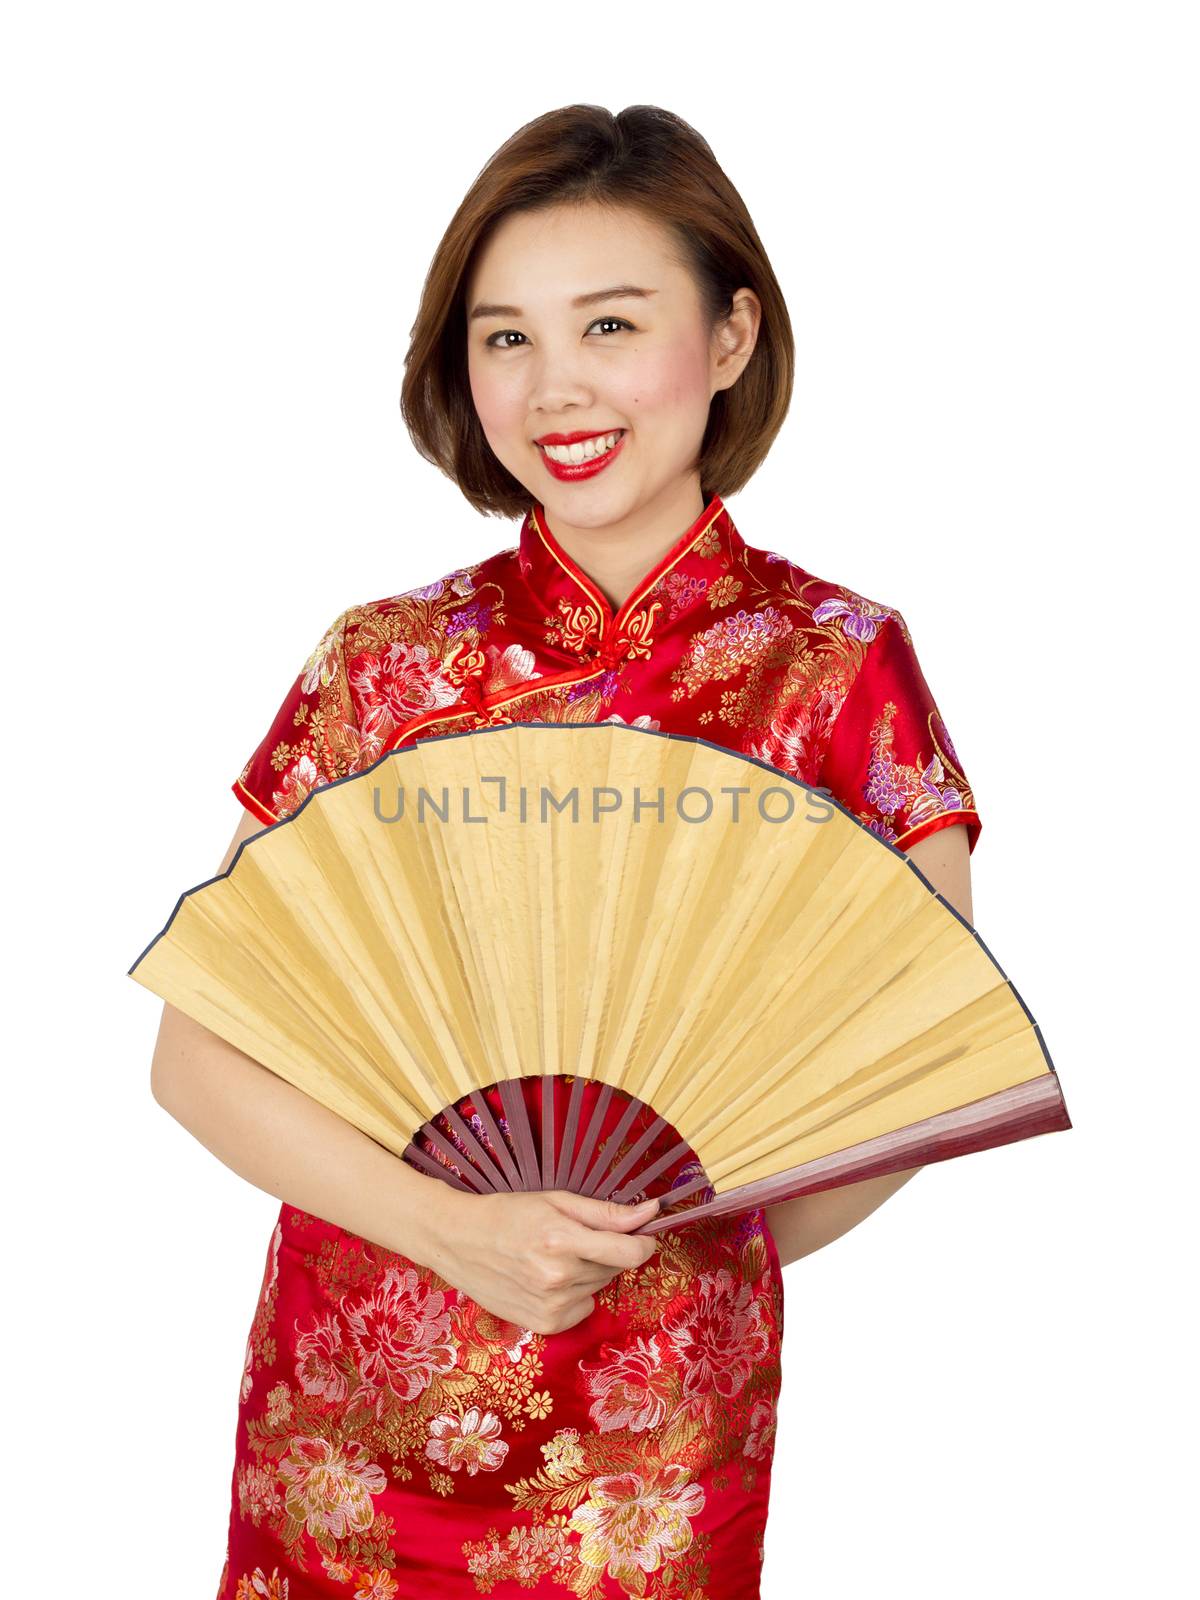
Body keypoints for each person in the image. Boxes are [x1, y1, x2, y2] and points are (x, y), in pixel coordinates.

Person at [151, 103, 980, 1600]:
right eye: (505, 337)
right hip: (347, 1422)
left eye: (610, 323)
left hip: (655, 1443)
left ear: (729, 339)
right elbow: (200, 1059)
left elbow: (919, 1066)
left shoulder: (835, 666)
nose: (554, 388)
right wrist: (452, 1233)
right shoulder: (383, 665)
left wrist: (687, 1240)